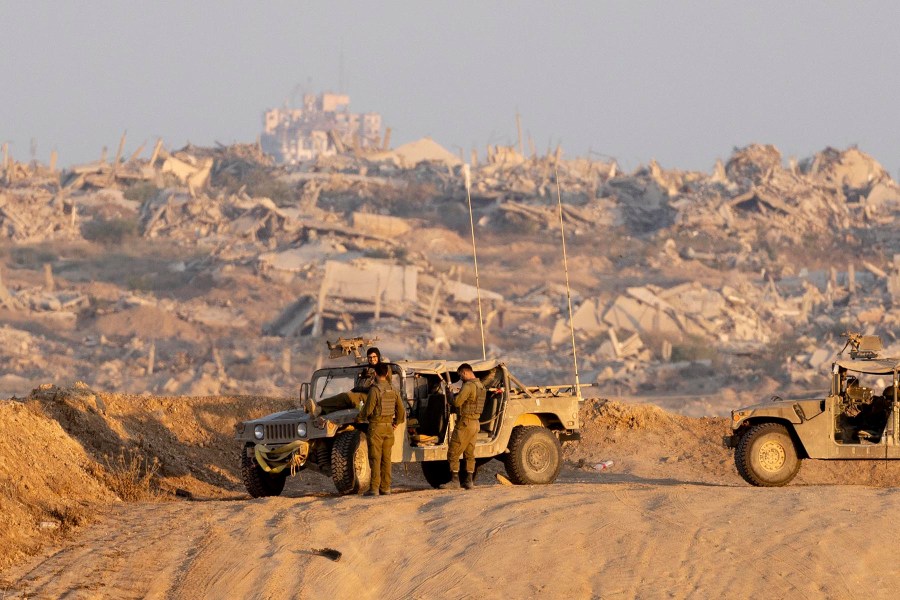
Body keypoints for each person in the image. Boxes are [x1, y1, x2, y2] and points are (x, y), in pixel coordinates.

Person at [440, 363, 486, 490]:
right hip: (475, 423)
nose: (460, 378)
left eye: (461, 375)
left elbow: (456, 402)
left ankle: (455, 481)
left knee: (453, 451)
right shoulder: (481, 386)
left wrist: (449, 393)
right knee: (469, 453)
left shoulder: (469, 386)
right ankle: (469, 481)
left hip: (465, 423)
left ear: (465, 372)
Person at [363, 362, 405, 496]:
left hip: (376, 427)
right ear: (387, 374)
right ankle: (386, 487)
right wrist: (396, 423)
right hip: (388, 428)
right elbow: (401, 411)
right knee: (386, 459)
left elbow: (368, 410)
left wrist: (359, 418)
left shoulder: (375, 390)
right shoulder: (393, 389)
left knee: (375, 458)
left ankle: (374, 488)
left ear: (375, 374)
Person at [308, 347, 383, 416]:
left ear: (378, 357)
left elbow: (382, 387)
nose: (372, 359)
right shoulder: (367, 369)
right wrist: (362, 378)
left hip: (371, 398)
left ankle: (316, 405)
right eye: (370, 357)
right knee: (342, 404)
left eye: (374, 357)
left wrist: (359, 389)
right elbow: (361, 384)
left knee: (345, 397)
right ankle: (319, 410)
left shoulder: (383, 369)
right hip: (362, 399)